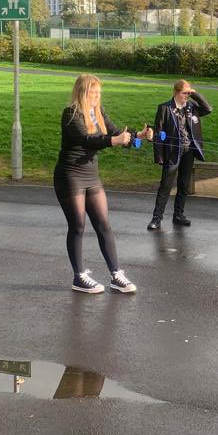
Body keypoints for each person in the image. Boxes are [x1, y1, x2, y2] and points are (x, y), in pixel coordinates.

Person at [53, 74, 152, 294]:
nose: (97, 96)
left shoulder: (98, 112)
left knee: (103, 224)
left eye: (99, 92)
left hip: (91, 174)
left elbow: (115, 132)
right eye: (93, 92)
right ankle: (79, 277)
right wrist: (112, 141)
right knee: (78, 225)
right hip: (70, 174)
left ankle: (116, 275)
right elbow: (86, 140)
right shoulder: (70, 113)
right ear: (82, 92)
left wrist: (139, 136)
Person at [148, 79, 213, 230]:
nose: (187, 96)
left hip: (189, 151)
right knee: (166, 186)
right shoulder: (164, 108)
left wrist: (195, 94)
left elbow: (208, 109)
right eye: (185, 93)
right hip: (172, 152)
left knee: (183, 184)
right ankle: (156, 218)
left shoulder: (191, 107)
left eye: (189, 93)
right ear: (176, 92)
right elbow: (159, 132)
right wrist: (159, 156)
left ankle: (179, 215)